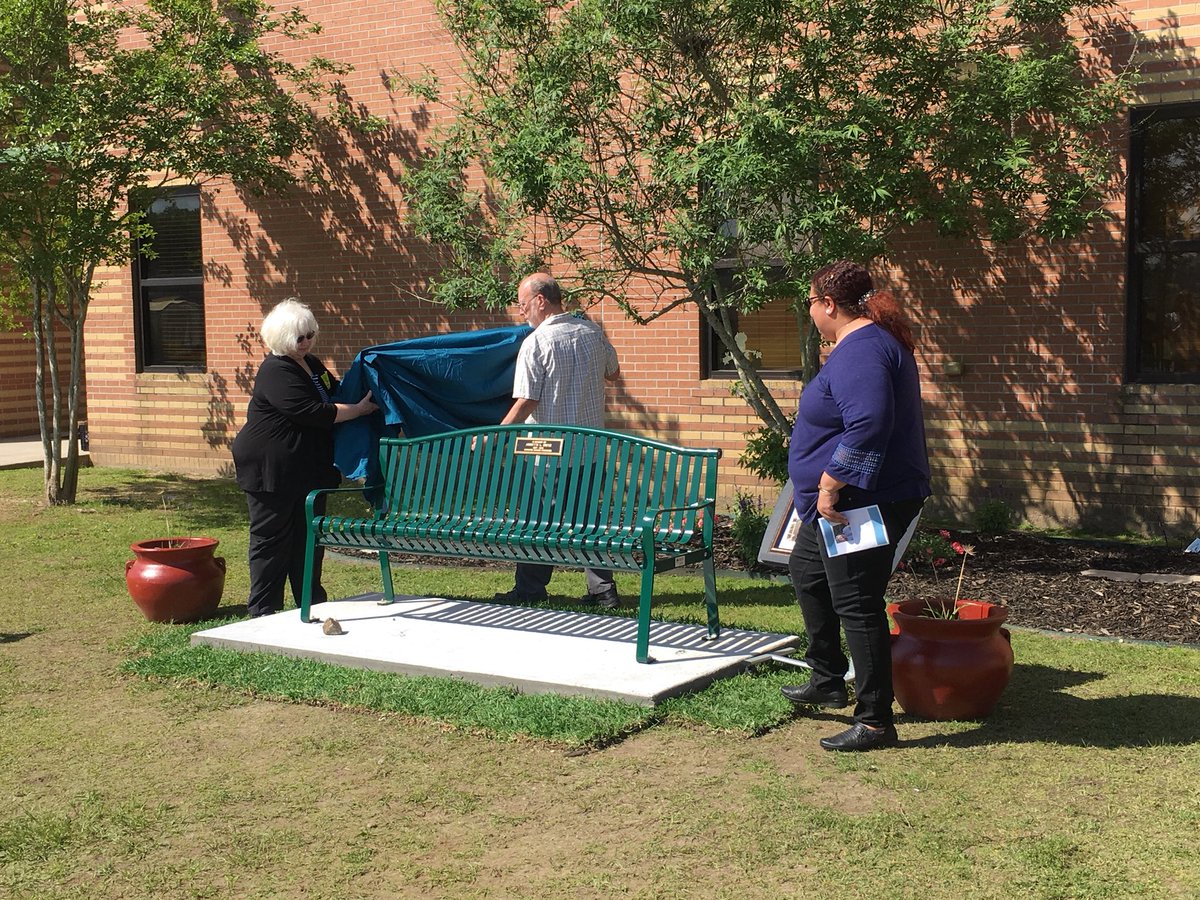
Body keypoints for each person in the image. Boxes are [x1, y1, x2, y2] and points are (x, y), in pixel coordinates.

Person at [781, 260, 930, 752]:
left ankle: (874, 720)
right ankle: (827, 679)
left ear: (828, 304)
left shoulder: (863, 350)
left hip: (859, 500)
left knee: (857, 602)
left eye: (809, 302)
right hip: (841, 501)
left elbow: (868, 423)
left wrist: (829, 483)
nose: (809, 312)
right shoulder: (861, 346)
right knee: (807, 573)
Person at [232, 298, 378, 618]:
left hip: (307, 468)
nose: (307, 342)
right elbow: (311, 412)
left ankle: (310, 601)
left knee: (309, 538)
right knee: (272, 541)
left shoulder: (311, 364)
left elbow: (335, 390)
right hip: (269, 469)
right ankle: (264, 609)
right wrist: (358, 411)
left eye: (311, 334)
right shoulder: (276, 369)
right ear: (282, 337)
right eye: (300, 337)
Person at [494, 272, 622, 608]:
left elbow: (527, 400)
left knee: (539, 518)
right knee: (589, 518)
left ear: (540, 301)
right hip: (591, 447)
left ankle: (530, 589)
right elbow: (612, 372)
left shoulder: (536, 342)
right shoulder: (593, 331)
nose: (522, 313)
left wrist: (497, 434)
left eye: (523, 306)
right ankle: (603, 590)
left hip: (549, 450)